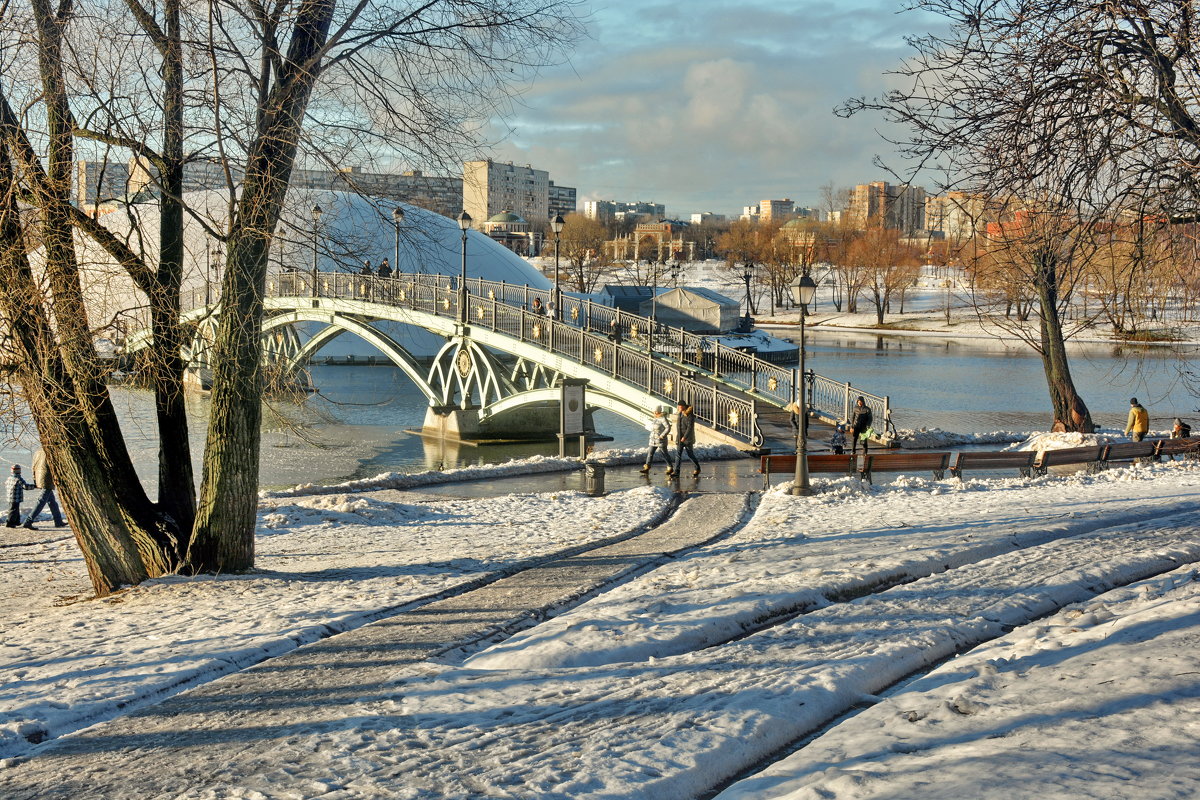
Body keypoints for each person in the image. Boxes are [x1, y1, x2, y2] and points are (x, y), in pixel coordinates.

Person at [23, 449, 65, 529]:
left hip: (40, 478)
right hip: (47, 478)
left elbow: (33, 466)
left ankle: (58, 521)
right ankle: (28, 521)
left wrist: (35, 479)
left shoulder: (37, 451)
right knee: (41, 501)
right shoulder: (51, 451)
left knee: (52, 502)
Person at [672, 401, 701, 477]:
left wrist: (685, 437)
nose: (679, 408)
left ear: (684, 406)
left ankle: (697, 468)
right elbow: (678, 426)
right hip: (679, 438)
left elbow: (690, 428)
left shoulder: (689, 415)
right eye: (678, 406)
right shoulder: (680, 414)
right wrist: (678, 437)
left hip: (687, 438)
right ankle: (676, 472)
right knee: (678, 454)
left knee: (690, 454)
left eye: (680, 406)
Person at [640, 408, 672, 474]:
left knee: (664, 454)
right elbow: (653, 428)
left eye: (655, 411)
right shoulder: (655, 419)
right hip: (653, 439)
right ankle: (647, 467)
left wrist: (662, 435)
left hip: (660, 440)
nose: (654, 412)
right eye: (654, 411)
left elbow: (668, 427)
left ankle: (670, 467)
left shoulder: (663, 419)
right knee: (650, 453)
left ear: (658, 412)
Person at [5, 464, 33, 528]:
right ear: (19, 471)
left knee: (14, 509)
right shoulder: (19, 479)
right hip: (16, 498)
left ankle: (17, 521)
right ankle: (10, 523)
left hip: (9, 497)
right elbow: (25, 486)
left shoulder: (9, 478)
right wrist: (34, 486)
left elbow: (6, 485)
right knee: (13, 510)